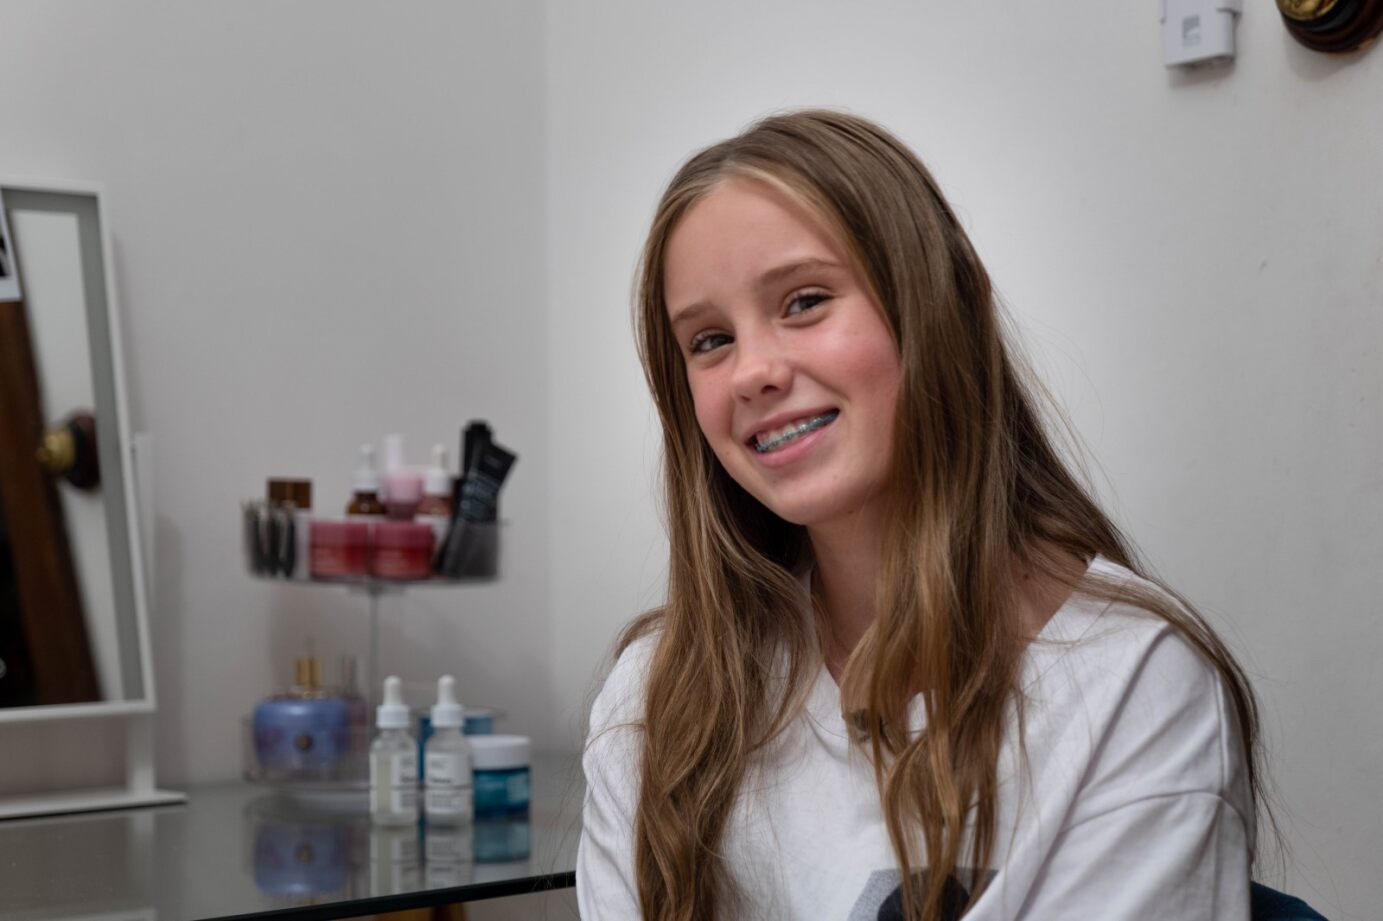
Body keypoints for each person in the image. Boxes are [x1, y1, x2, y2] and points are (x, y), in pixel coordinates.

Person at [577, 109, 1269, 921]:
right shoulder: (655, 698)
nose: (752, 372)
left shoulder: (1131, 684)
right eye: (708, 341)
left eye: (803, 301)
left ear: (939, 306)